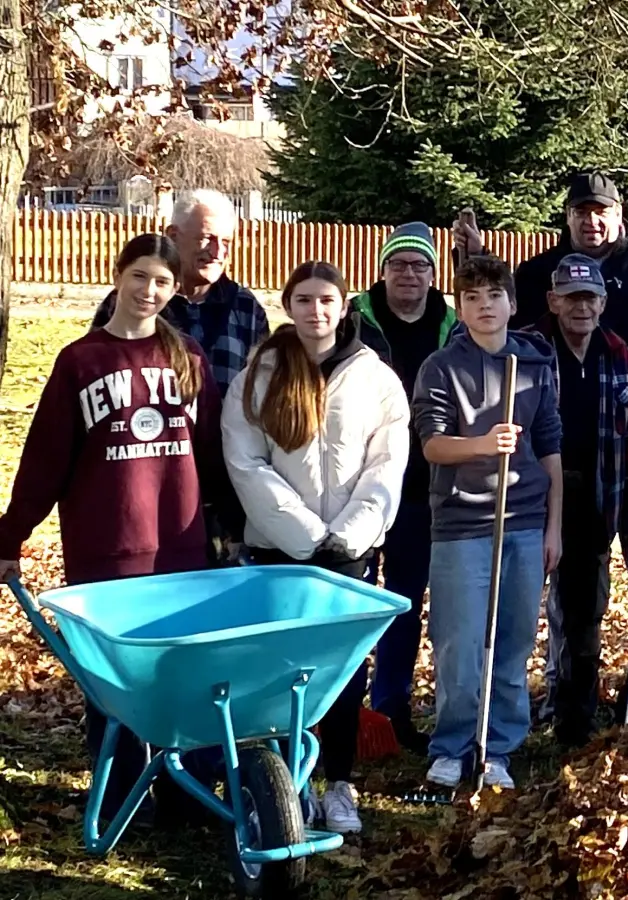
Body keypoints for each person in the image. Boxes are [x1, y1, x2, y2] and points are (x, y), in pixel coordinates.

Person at [0, 233, 234, 820]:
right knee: (112, 683)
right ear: (118, 275)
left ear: (175, 288)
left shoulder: (189, 359)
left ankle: (189, 792)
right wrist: (10, 536)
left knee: (184, 673)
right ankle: (123, 798)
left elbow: (212, 455)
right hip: (106, 549)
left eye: (162, 282)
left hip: (178, 548)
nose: (149, 292)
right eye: (140, 277)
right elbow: (45, 459)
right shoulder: (81, 360)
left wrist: (227, 527)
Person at [221, 261, 409, 834]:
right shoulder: (261, 373)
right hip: (282, 549)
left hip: (348, 550)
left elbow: (388, 457)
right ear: (288, 305)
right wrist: (301, 531)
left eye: (327, 299)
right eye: (304, 299)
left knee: (343, 671)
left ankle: (340, 782)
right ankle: (286, 788)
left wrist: (353, 528)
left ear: (345, 305)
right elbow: (245, 458)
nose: (316, 310)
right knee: (281, 671)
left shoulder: (373, 376)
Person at [413, 255, 563, 789]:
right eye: (472, 298)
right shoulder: (441, 367)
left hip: (524, 522)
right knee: (459, 639)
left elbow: (550, 448)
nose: (484, 307)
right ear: (460, 306)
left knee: (515, 638)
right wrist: (481, 443)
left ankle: (497, 745)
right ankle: (453, 744)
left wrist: (554, 526)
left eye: (493, 296)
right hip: (463, 523)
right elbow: (432, 444)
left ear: (512, 304)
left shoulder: (536, 365)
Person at [452, 174, 628, 418]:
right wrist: (477, 257)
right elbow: (501, 325)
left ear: (619, 213)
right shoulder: (538, 272)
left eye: (601, 212)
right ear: (568, 216)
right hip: (554, 421)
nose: (591, 221)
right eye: (581, 212)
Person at [527, 255, 628, 746]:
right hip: (530, 499)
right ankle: (502, 715)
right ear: (553, 301)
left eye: (589, 298)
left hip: (597, 497)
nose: (581, 307)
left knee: (586, 613)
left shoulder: (617, 352)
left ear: (602, 302)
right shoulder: (530, 350)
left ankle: (576, 719)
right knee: (516, 610)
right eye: (570, 298)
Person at [350, 222, 460, 752]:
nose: (409, 274)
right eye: (399, 264)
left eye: (420, 265)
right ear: (383, 269)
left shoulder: (451, 324)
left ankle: (390, 707)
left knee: (404, 600)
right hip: (356, 484)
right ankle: (339, 708)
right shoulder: (354, 318)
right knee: (353, 599)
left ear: (433, 274)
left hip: (422, 487)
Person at [90, 190, 270, 393]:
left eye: (225, 242)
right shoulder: (132, 300)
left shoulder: (246, 307)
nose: (217, 253)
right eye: (206, 239)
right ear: (173, 236)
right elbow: (94, 374)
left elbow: (264, 391)